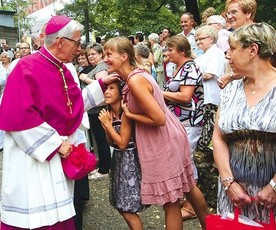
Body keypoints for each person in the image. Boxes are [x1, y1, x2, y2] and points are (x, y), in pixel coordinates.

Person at [0, 15, 117, 229]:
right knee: (37, 214)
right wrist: (56, 145)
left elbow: (70, 106)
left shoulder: (61, 69)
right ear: (61, 42)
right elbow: (19, 117)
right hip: (34, 158)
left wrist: (100, 86)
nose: (79, 49)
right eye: (77, 42)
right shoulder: (26, 67)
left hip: (57, 154)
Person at [103, 36, 207, 230]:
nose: (105, 59)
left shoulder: (135, 80)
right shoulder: (137, 73)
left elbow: (158, 119)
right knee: (188, 185)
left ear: (124, 56)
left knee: (171, 202)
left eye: (109, 54)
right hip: (171, 134)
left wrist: (130, 114)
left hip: (162, 139)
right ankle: (210, 226)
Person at [213, 22, 276, 224]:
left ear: (253, 50)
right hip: (234, 195)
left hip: (272, 197)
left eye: (232, 48)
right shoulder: (231, 90)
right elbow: (219, 136)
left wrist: (274, 186)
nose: (227, 55)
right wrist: (228, 182)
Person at [162, 35, 205, 221]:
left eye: (171, 49)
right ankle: (186, 198)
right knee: (181, 159)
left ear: (182, 50)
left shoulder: (190, 67)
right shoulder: (176, 68)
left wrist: (158, 92)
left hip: (190, 120)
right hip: (179, 121)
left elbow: (186, 96)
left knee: (187, 160)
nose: (167, 52)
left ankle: (191, 205)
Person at [98, 80, 147, 230]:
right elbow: (112, 143)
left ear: (121, 93)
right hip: (119, 160)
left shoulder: (125, 113)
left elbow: (122, 143)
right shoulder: (109, 113)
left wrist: (107, 125)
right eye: (106, 88)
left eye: (112, 88)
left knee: (127, 208)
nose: (107, 92)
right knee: (121, 205)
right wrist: (107, 128)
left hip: (129, 162)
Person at [79, 43, 111, 180]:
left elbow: (102, 84)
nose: (91, 56)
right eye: (89, 54)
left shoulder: (101, 66)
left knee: (101, 139)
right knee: (99, 139)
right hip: (93, 109)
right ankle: (103, 166)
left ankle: (105, 169)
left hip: (99, 108)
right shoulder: (96, 67)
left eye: (93, 54)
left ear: (100, 54)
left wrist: (85, 78)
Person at [194, 25, 225, 156]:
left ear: (211, 39)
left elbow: (209, 74)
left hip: (212, 97)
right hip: (203, 97)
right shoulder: (206, 54)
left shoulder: (216, 52)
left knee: (209, 126)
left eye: (201, 39)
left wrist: (191, 79)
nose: (198, 42)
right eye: (196, 39)